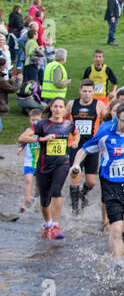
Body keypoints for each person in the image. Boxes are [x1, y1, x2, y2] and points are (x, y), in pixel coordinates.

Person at [69, 102, 124, 264]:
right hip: (111, 185)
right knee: (116, 228)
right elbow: (84, 149)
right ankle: (117, 264)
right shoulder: (105, 133)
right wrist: (76, 165)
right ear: (117, 118)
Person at [17, 97, 77, 239]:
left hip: (62, 164)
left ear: (64, 109)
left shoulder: (69, 124)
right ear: (51, 108)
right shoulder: (42, 125)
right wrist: (41, 139)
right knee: (44, 201)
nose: (58, 109)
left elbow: (76, 133)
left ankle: (56, 226)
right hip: (44, 165)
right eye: (55, 106)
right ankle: (48, 224)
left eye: (60, 107)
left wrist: (75, 141)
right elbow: (22, 137)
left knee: (56, 191)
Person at [66, 80, 103, 215]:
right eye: (84, 91)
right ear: (80, 90)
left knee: (91, 181)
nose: (87, 94)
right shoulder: (71, 104)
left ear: (93, 92)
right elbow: (63, 119)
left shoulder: (99, 105)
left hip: (92, 147)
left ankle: (83, 193)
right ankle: (75, 209)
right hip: (76, 146)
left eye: (89, 91)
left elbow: (106, 121)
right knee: (75, 176)